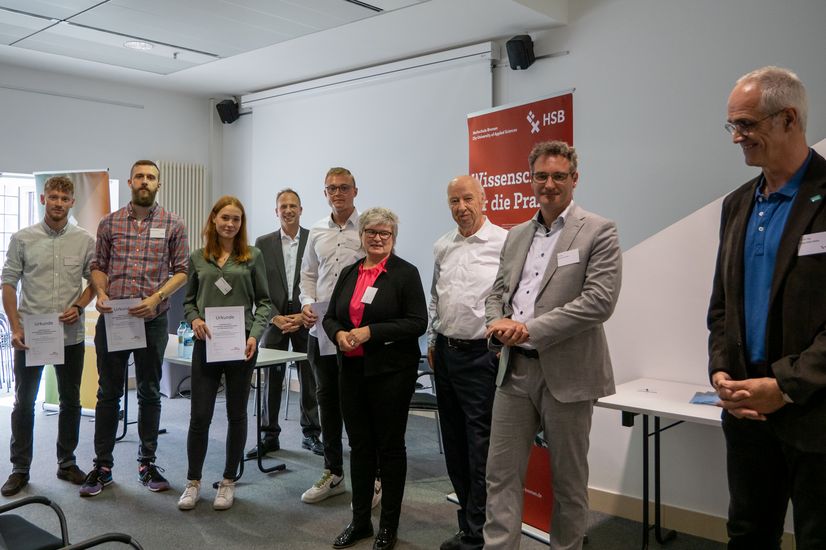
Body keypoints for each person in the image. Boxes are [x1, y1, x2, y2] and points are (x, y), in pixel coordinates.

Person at [708, 66, 826, 549]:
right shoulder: (737, 204)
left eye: (747, 124)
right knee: (748, 535)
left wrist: (786, 385)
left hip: (815, 411)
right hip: (746, 411)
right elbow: (721, 305)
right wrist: (719, 370)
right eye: (732, 125)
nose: (737, 137)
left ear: (789, 119)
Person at [484, 141, 622, 549]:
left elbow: (598, 302)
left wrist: (529, 329)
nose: (549, 184)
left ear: (574, 179)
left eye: (559, 176)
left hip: (569, 373)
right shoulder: (516, 234)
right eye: (541, 176)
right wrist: (497, 322)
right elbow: (497, 292)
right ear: (530, 180)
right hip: (515, 372)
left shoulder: (599, 230)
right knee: (501, 476)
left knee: (568, 482)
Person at [80, 160, 189, 497]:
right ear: (130, 181)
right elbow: (98, 266)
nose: (145, 181)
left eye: (151, 177)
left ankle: (147, 462)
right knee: (108, 393)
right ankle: (103, 466)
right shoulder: (109, 223)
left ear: (159, 184)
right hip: (114, 318)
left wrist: (157, 297)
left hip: (152, 320)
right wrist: (100, 292)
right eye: (140, 176)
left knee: (149, 392)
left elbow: (182, 270)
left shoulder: (174, 224)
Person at [323, 207, 427, 550]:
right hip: (351, 372)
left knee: (390, 449)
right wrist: (339, 334)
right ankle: (361, 522)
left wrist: (371, 332)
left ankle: (388, 527)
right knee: (360, 447)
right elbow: (332, 317)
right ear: (362, 235)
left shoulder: (404, 273)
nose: (378, 238)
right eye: (371, 232)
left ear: (393, 237)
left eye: (385, 233)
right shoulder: (350, 271)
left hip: (391, 374)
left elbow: (417, 323)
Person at [1, 176, 95, 497]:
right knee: (24, 402)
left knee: (71, 402)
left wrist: (80, 306)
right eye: (52, 197)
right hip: (31, 336)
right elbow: (8, 284)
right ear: (43, 200)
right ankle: (20, 468)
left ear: (72, 203)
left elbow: (95, 281)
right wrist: (15, 326)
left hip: (70, 336)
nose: (57, 202)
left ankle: (66, 462)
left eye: (63, 198)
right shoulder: (23, 239)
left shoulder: (85, 240)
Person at [177, 196, 272, 511]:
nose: (230, 224)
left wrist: (255, 336)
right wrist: (195, 319)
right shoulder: (197, 257)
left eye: (237, 219)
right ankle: (193, 482)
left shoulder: (252, 257)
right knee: (199, 416)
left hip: (241, 346)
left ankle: (229, 481)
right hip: (207, 344)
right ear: (213, 219)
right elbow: (188, 302)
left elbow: (265, 303)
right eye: (225, 218)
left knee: (236, 414)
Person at [428, 175, 507, 550]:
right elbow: (435, 297)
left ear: (483, 199)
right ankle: (467, 526)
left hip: (481, 357)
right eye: (454, 201)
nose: (461, 207)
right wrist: (432, 338)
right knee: (455, 445)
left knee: (481, 451)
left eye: (468, 199)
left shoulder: (504, 243)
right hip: (444, 353)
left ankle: (481, 536)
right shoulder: (443, 245)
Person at [299, 167, 372, 504]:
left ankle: (371, 477)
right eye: (331, 188)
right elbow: (308, 274)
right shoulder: (315, 231)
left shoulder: (369, 227)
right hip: (322, 329)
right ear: (324, 193)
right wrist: (307, 303)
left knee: (361, 403)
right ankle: (334, 472)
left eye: (344, 188)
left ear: (355, 191)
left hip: (358, 329)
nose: (338, 193)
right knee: (327, 401)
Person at [246, 188, 323, 460]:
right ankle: (269, 435)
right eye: (283, 206)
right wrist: (274, 316)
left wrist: (304, 315)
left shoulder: (314, 239)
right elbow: (258, 285)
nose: (288, 210)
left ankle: (311, 433)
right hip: (274, 318)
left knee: (309, 375)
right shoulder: (262, 243)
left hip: (306, 316)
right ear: (276, 211)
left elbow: (319, 279)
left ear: (301, 210)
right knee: (272, 377)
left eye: (293, 205)